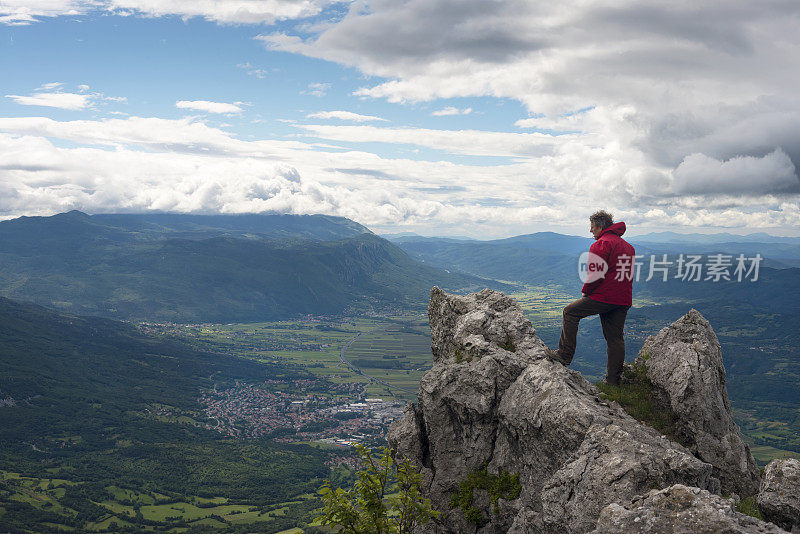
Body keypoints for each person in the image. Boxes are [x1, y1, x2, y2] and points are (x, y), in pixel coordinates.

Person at [547, 210, 635, 386]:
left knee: (570, 312)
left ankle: (564, 355)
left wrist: (586, 291)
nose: (590, 231)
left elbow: (596, 273)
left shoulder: (601, 244)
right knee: (615, 339)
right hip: (623, 299)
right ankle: (613, 382)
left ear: (600, 226)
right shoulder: (628, 246)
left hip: (604, 296)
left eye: (592, 227)